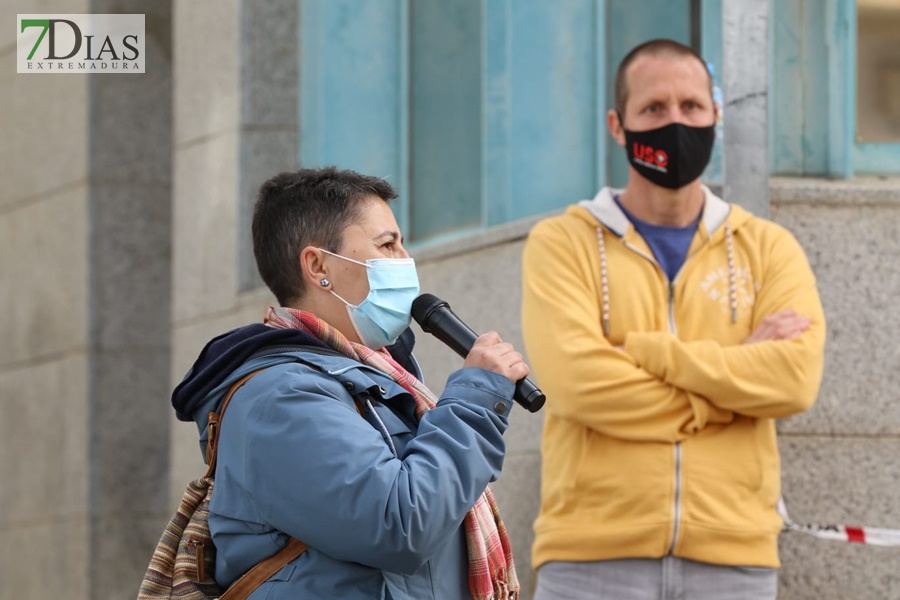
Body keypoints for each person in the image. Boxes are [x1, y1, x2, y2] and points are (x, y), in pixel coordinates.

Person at [522, 39, 826, 599]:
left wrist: (649, 354)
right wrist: (731, 381)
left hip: (734, 560)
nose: (675, 123)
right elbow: (579, 386)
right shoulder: (562, 243)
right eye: (654, 109)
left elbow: (793, 378)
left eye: (691, 107)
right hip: (591, 558)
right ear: (619, 125)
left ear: (716, 117)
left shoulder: (768, 248)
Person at [171, 166, 526, 599]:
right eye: (387, 245)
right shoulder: (278, 397)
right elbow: (399, 525)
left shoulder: (376, 377)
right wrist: (474, 401)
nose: (406, 261)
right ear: (318, 265)